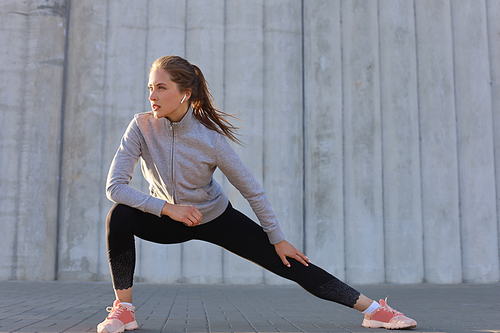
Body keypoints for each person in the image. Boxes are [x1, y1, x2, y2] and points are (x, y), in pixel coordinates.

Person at [97, 55, 417, 333]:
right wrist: (168, 208)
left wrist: (276, 237)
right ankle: (124, 311)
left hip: (214, 217)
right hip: (166, 218)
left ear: (185, 93)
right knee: (120, 216)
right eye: (150, 87)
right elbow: (115, 187)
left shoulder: (210, 139)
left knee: (290, 263)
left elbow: (253, 191)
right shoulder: (140, 126)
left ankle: (375, 311)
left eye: (161, 87)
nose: (152, 95)